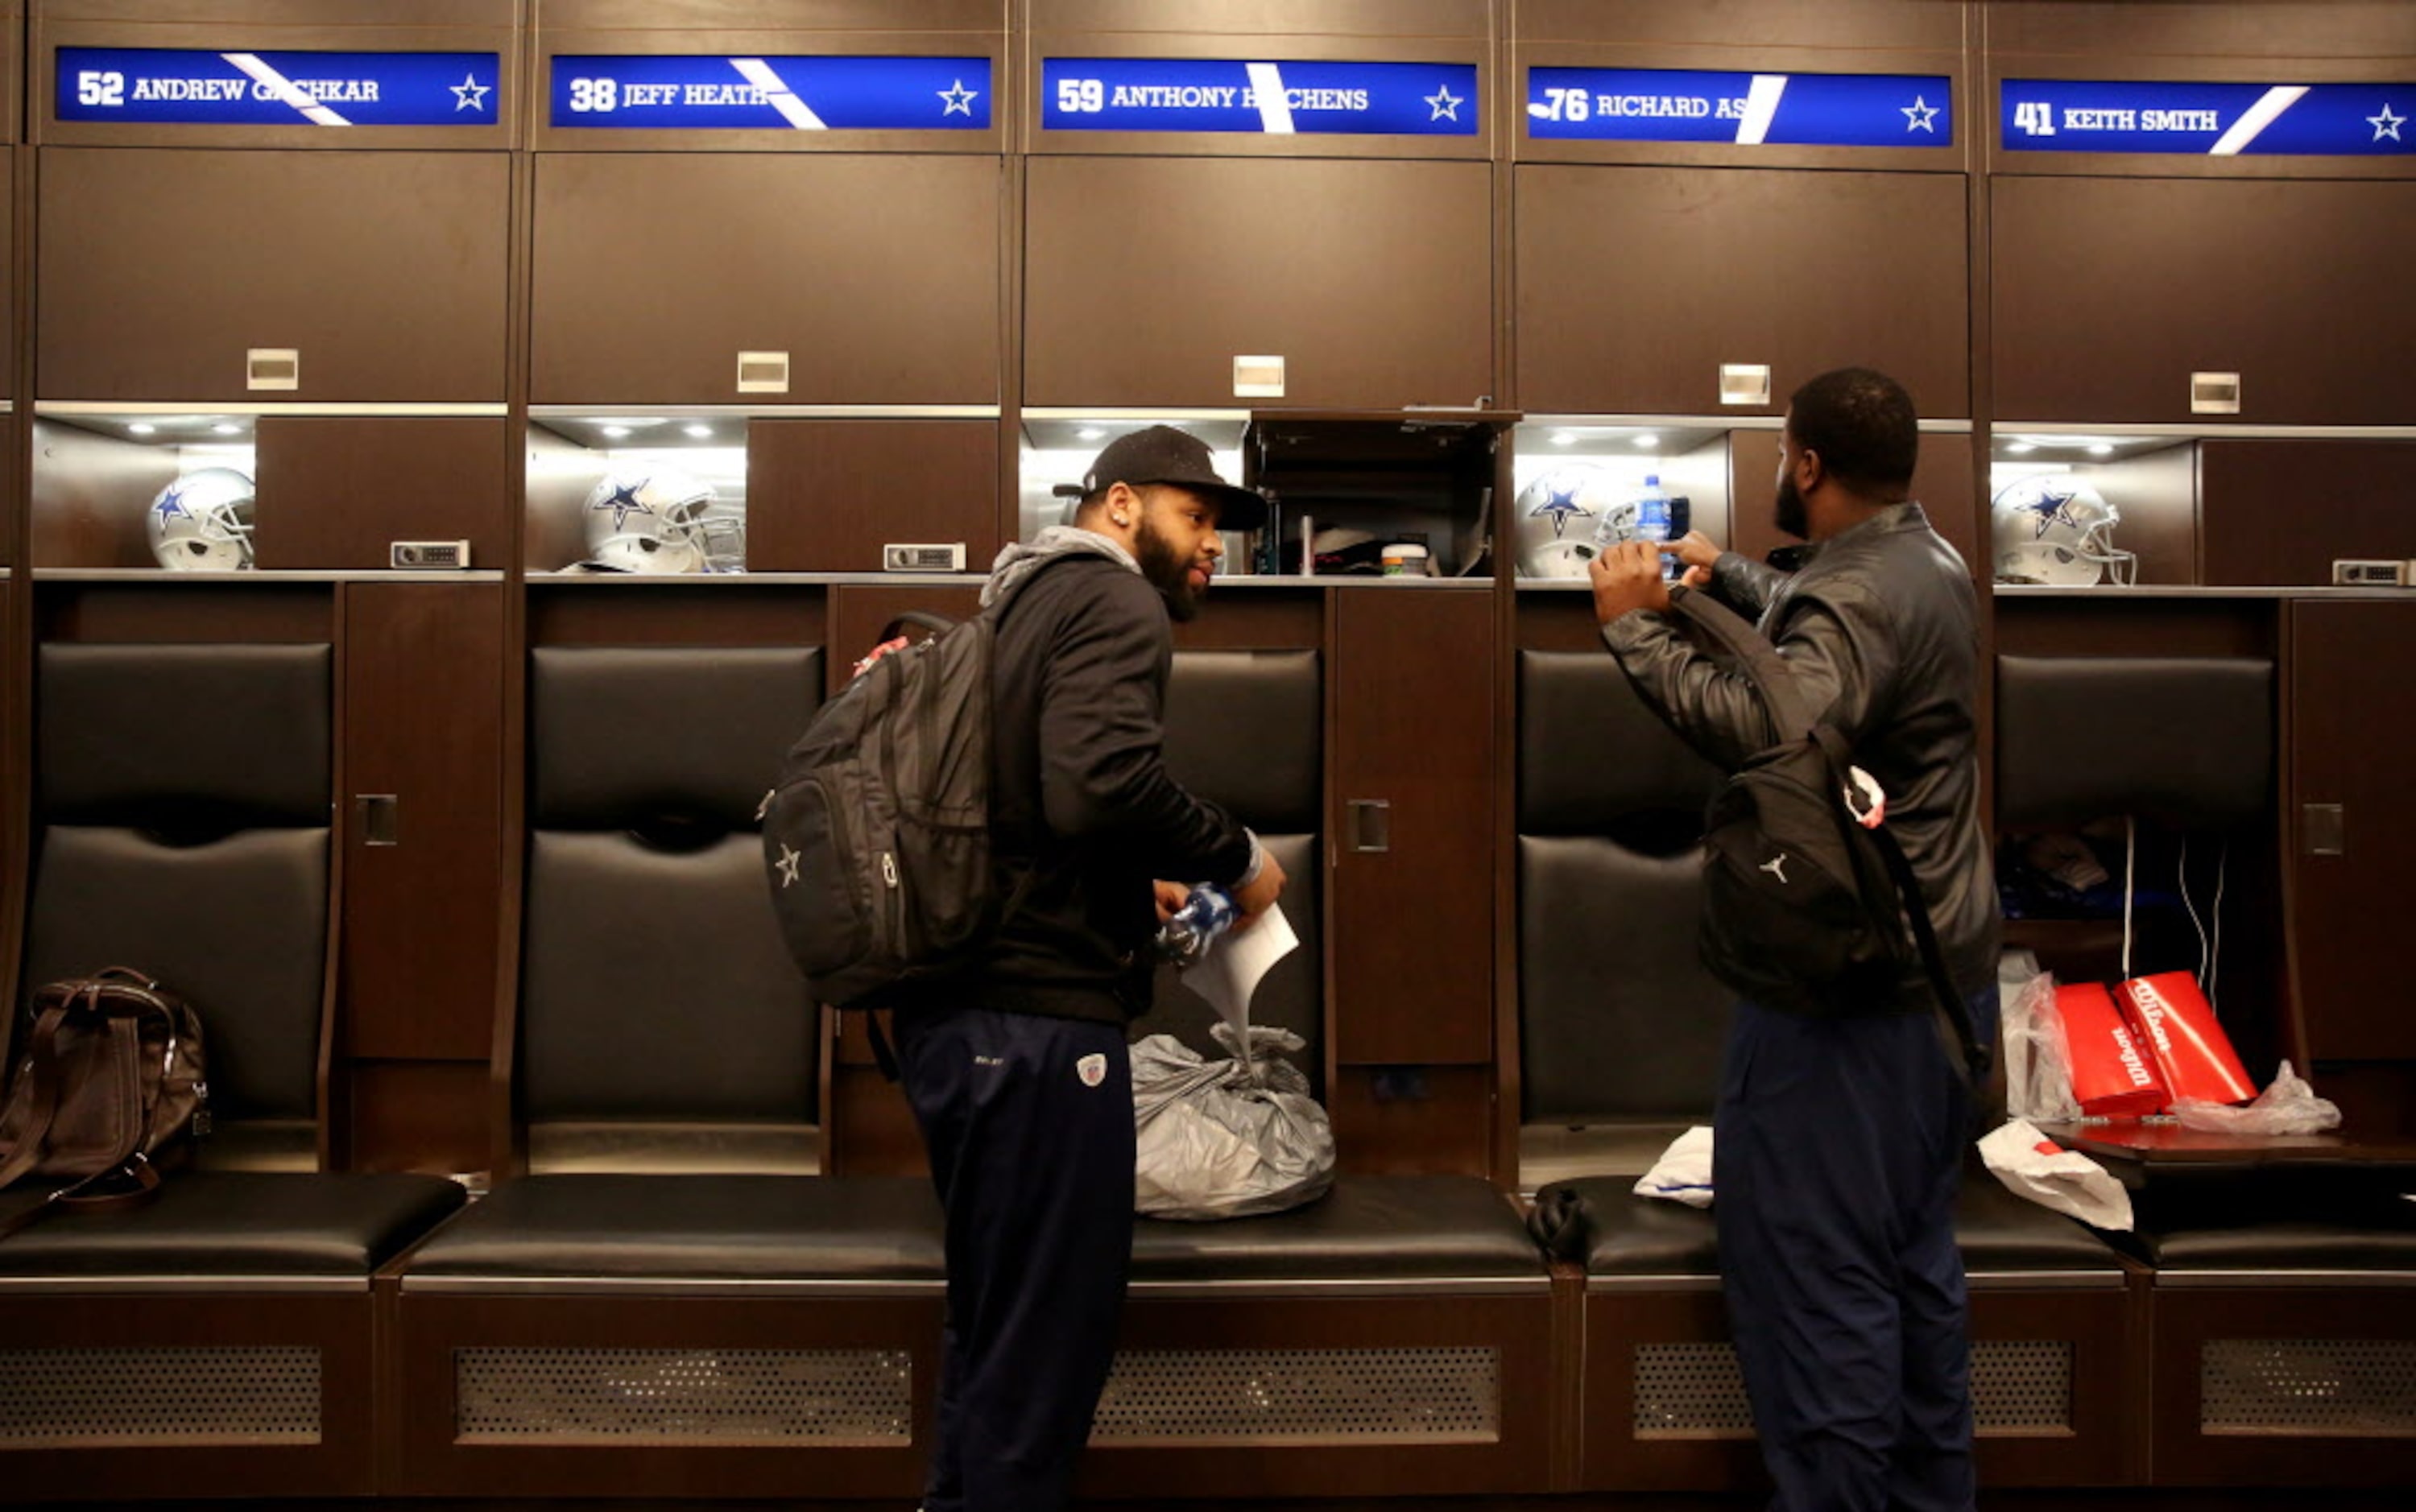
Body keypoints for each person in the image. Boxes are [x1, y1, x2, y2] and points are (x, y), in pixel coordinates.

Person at [1588, 368, 2000, 1512]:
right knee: (1911, 1281)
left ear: (1806, 461)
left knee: (1820, 1291)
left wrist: (1635, 633)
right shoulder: (1925, 559)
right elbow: (1828, 627)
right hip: (1938, 997)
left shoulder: (1856, 594)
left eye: (1782, 450)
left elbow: (1778, 723)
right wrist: (1723, 574)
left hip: (1850, 1011)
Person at [890, 424, 1287, 1512]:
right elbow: (1100, 783)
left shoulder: (1014, 603)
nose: (1213, 546)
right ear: (1119, 505)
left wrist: (1127, 887)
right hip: (1037, 1033)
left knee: (995, 1331)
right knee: (1042, 1359)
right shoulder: (1115, 599)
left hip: (960, 1021)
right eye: (1196, 518)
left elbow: (1034, 811)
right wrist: (1238, 857)